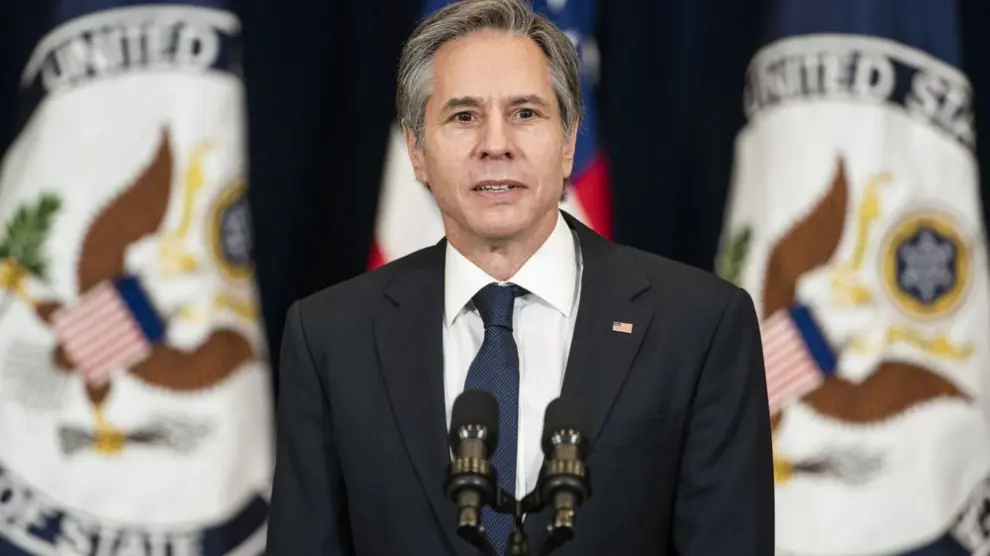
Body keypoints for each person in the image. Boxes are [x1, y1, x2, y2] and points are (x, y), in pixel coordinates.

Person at [265, 0, 774, 554]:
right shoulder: (330, 337)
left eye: (525, 113)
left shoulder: (698, 326)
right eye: (463, 116)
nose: (496, 144)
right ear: (416, 150)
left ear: (569, 141)